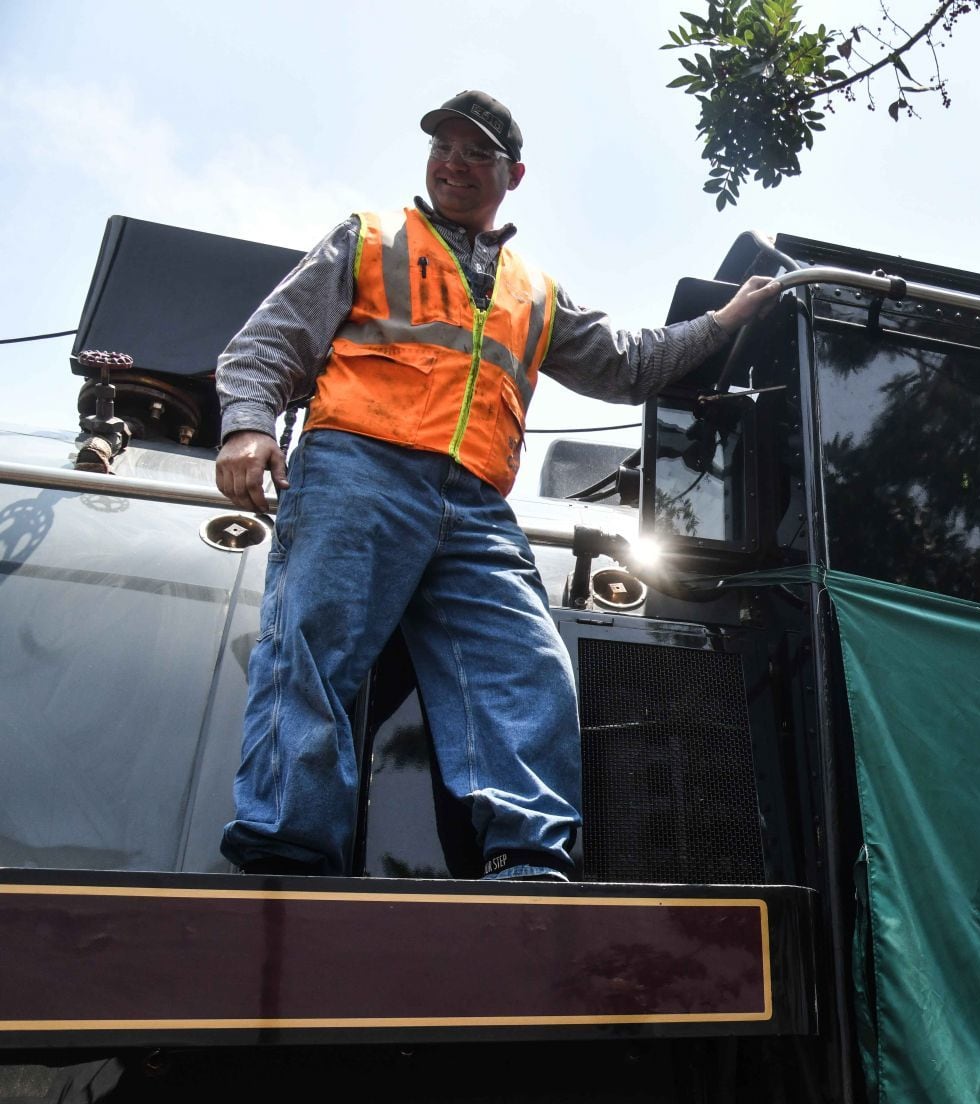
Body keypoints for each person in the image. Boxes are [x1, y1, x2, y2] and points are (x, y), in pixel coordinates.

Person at [212, 90, 781, 881]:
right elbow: (268, 342)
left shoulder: (534, 291)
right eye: (443, 147)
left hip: (476, 503)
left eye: (475, 153)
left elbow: (626, 364)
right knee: (312, 643)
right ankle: (288, 842)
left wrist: (720, 325)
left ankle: (525, 854)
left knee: (530, 663)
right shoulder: (369, 238)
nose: (453, 163)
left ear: (512, 174)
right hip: (357, 467)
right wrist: (247, 424)